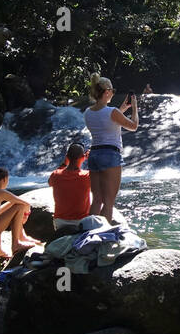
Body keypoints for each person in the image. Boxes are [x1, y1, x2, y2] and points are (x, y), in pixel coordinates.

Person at [84, 75, 138, 221]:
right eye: (112, 90)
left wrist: (122, 109)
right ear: (107, 92)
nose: (113, 93)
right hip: (110, 155)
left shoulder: (88, 112)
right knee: (108, 203)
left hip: (94, 154)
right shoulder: (112, 111)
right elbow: (133, 126)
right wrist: (134, 108)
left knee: (97, 200)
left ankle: (90, 232)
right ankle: (104, 237)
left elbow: (106, 120)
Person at [49, 142, 91, 233]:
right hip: (81, 222)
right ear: (83, 157)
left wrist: (65, 163)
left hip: (60, 222)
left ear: (67, 157)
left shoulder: (55, 175)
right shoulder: (87, 176)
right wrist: (92, 159)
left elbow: (50, 182)